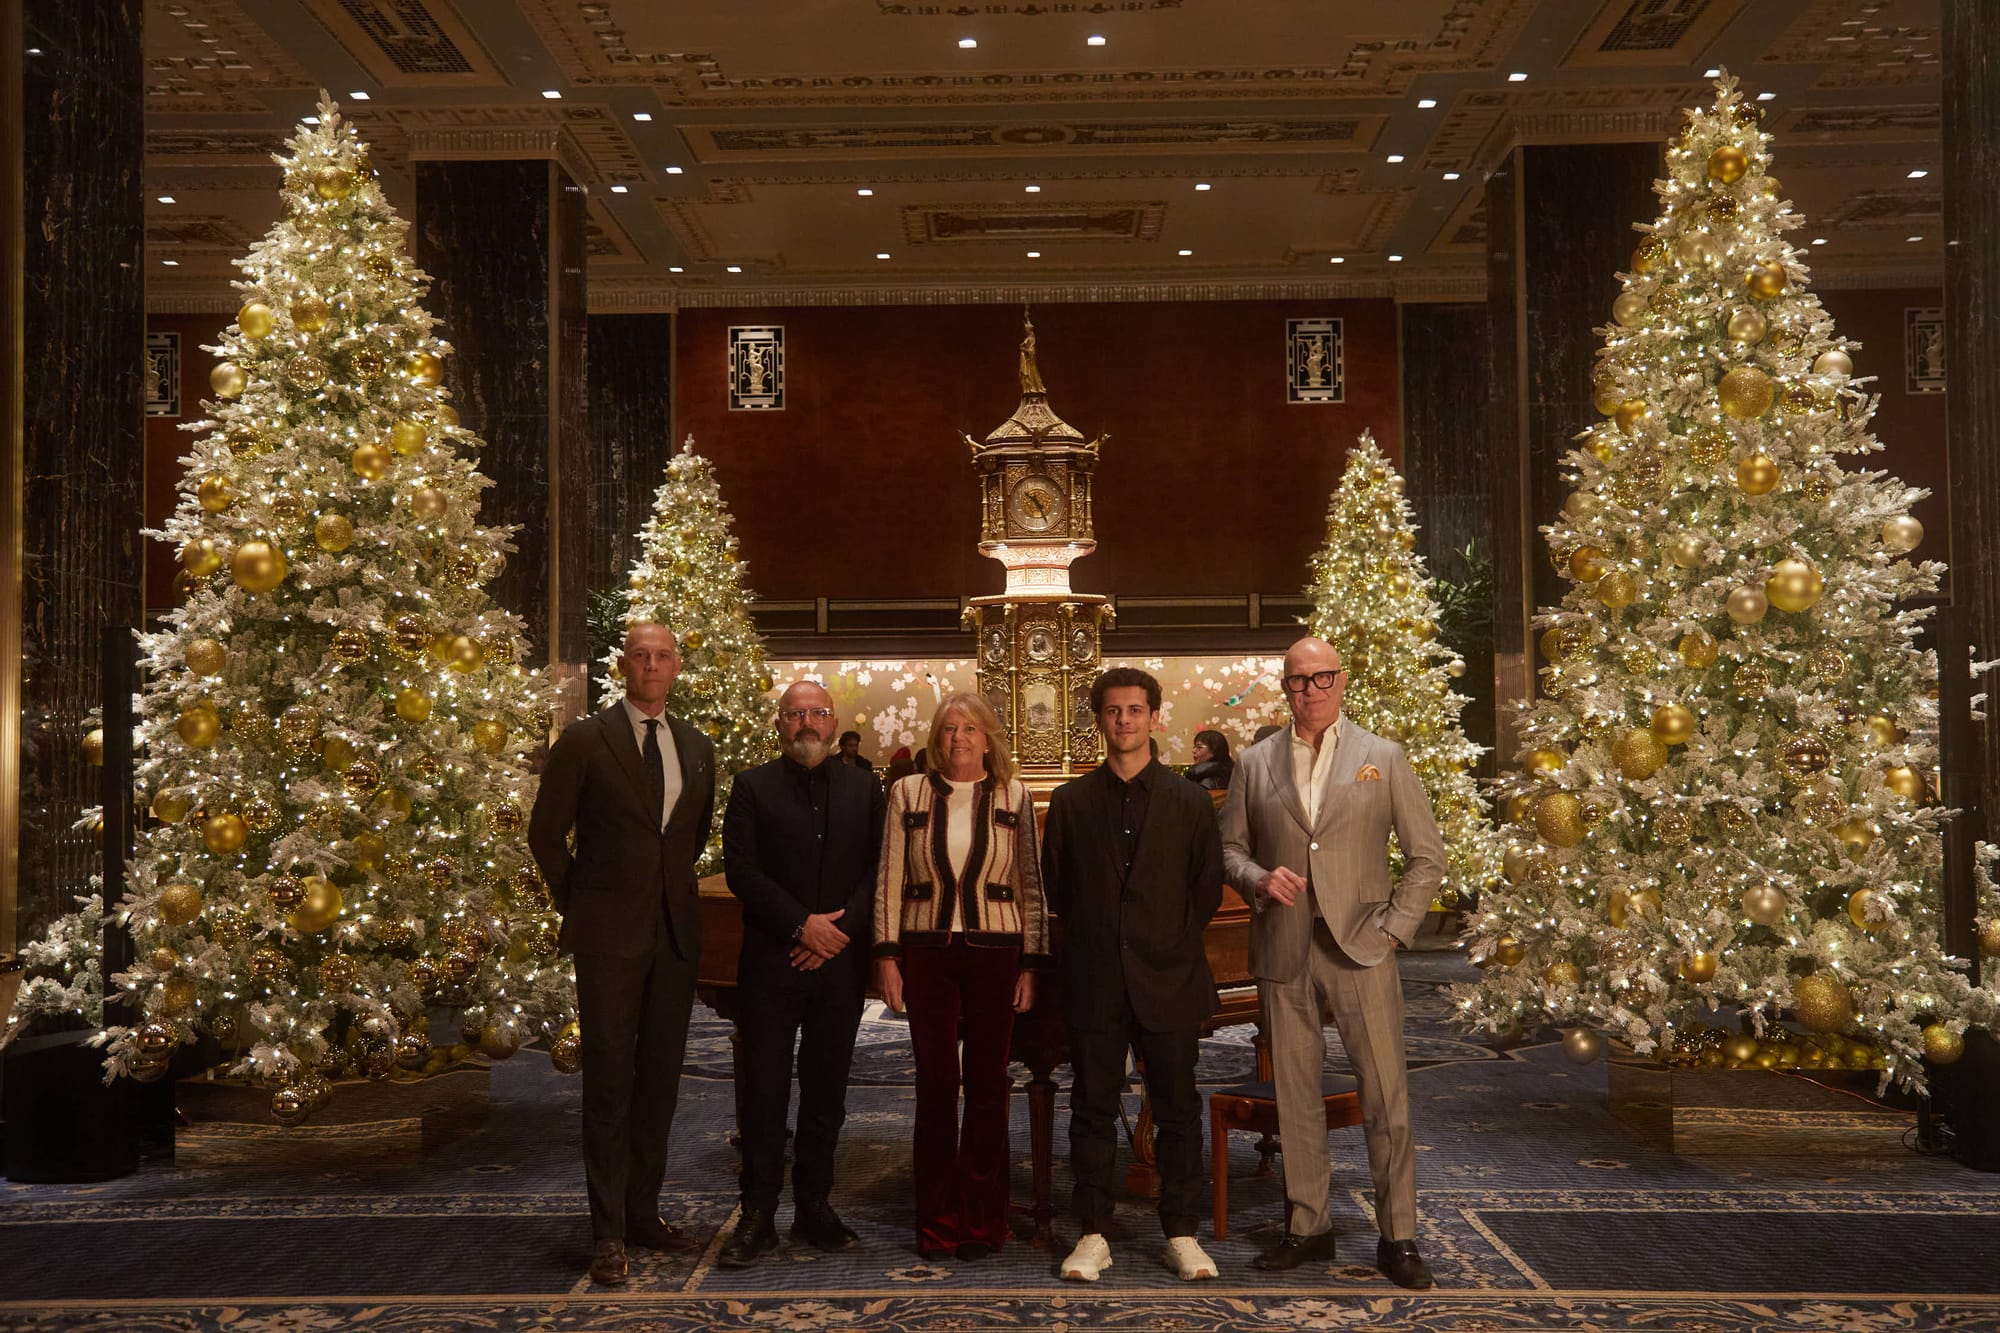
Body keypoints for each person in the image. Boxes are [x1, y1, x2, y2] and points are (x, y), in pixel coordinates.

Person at [1219, 636, 1444, 1290]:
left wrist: (1394, 929)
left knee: (1384, 1093)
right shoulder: (1254, 763)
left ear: (1341, 682)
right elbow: (1229, 850)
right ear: (1285, 687)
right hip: (1283, 944)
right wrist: (1259, 879)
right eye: (1298, 680)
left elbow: (1427, 857)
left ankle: (1398, 1235)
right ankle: (1308, 1225)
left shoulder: (1384, 756)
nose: (1310, 690)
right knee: (1294, 1092)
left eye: (1322, 678)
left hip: (1362, 946)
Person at [528, 623, 716, 1287]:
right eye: (640, 655)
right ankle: (606, 1231)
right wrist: (583, 902)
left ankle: (643, 1213)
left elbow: (689, 838)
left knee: (660, 1081)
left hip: (673, 936)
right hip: (607, 937)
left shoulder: (696, 746)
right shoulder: (585, 740)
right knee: (609, 1083)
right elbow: (546, 834)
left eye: (662, 656)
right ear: (623, 666)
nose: (651, 665)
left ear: (676, 666)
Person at [1042, 668, 1225, 1283]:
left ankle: (1182, 1233)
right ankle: (1092, 1233)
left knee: (1178, 1110)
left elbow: (1205, 889)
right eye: (1113, 710)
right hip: (1094, 977)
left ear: (1154, 718)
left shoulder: (1191, 802)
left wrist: (1162, 942)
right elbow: (1059, 890)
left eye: (1135, 710)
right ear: (1100, 719)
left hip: (1170, 975)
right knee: (1091, 1108)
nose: (1124, 720)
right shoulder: (1069, 802)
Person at [873, 693, 1050, 1261]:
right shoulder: (907, 792)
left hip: (997, 952)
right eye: (949, 729)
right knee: (936, 1084)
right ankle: (937, 1221)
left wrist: (1032, 964)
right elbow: (888, 877)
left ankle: (982, 1220)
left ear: (988, 738)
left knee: (987, 1084)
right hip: (926, 951)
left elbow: (1031, 884)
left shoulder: (1014, 794)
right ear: (937, 737)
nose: (959, 739)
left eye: (970, 728)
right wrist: (886, 957)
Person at [718, 681, 887, 1267]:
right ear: (779, 724)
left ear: (833, 721)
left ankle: (814, 1204)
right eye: (795, 714)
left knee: (826, 1090)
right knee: (764, 1091)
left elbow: (879, 867)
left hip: (839, 963)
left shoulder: (866, 787)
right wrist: (801, 926)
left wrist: (836, 933)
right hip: (772, 961)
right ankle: (758, 1213)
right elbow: (741, 869)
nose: (806, 723)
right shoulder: (751, 786)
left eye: (817, 713)